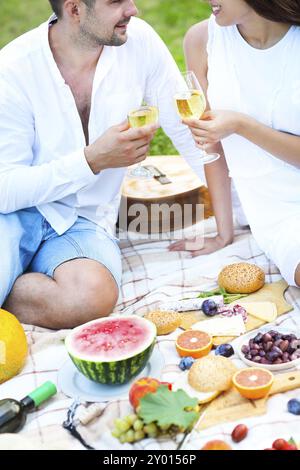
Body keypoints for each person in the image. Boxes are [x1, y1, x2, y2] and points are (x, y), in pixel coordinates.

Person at [0, 0, 207, 329]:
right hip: (13, 215)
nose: (133, 10)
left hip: (83, 218)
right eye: (116, 2)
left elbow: (186, 131)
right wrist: (92, 160)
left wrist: (241, 214)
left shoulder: (139, 42)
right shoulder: (13, 69)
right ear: (75, 9)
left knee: (90, 297)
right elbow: (5, 190)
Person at [170, 0, 300, 288]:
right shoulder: (202, 40)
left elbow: (232, 127)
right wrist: (223, 232)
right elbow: (211, 145)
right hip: (277, 211)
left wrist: (242, 125)